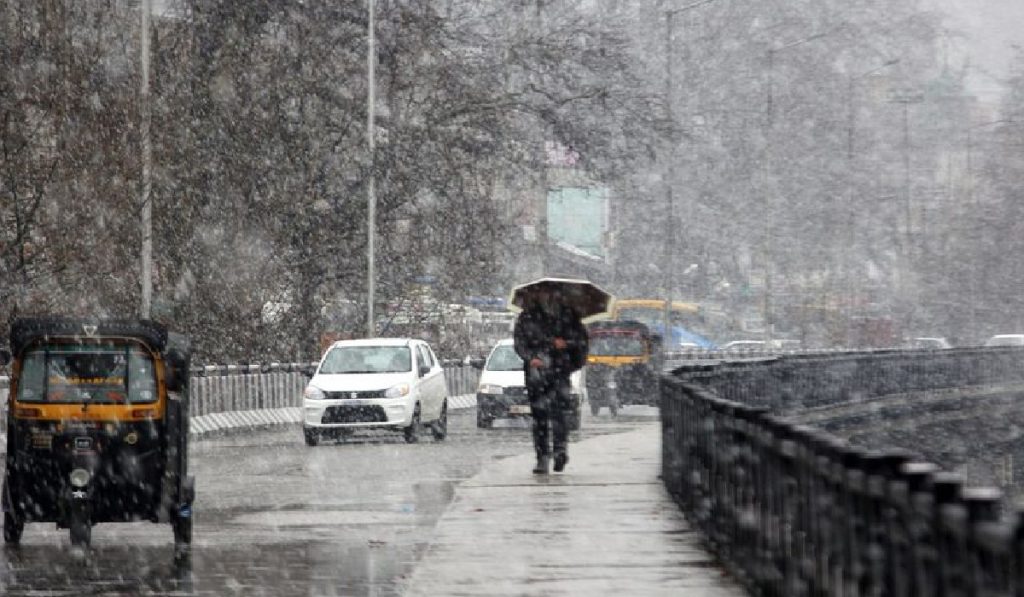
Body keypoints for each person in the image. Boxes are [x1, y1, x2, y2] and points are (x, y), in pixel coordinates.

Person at [513, 288, 588, 474]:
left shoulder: (569, 316)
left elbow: (581, 342)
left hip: (560, 372)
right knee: (539, 417)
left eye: (550, 294)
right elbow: (519, 342)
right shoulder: (527, 317)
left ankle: (560, 452)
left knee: (559, 414)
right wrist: (531, 358)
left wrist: (566, 344)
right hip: (536, 375)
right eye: (542, 294)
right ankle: (542, 458)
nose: (546, 297)